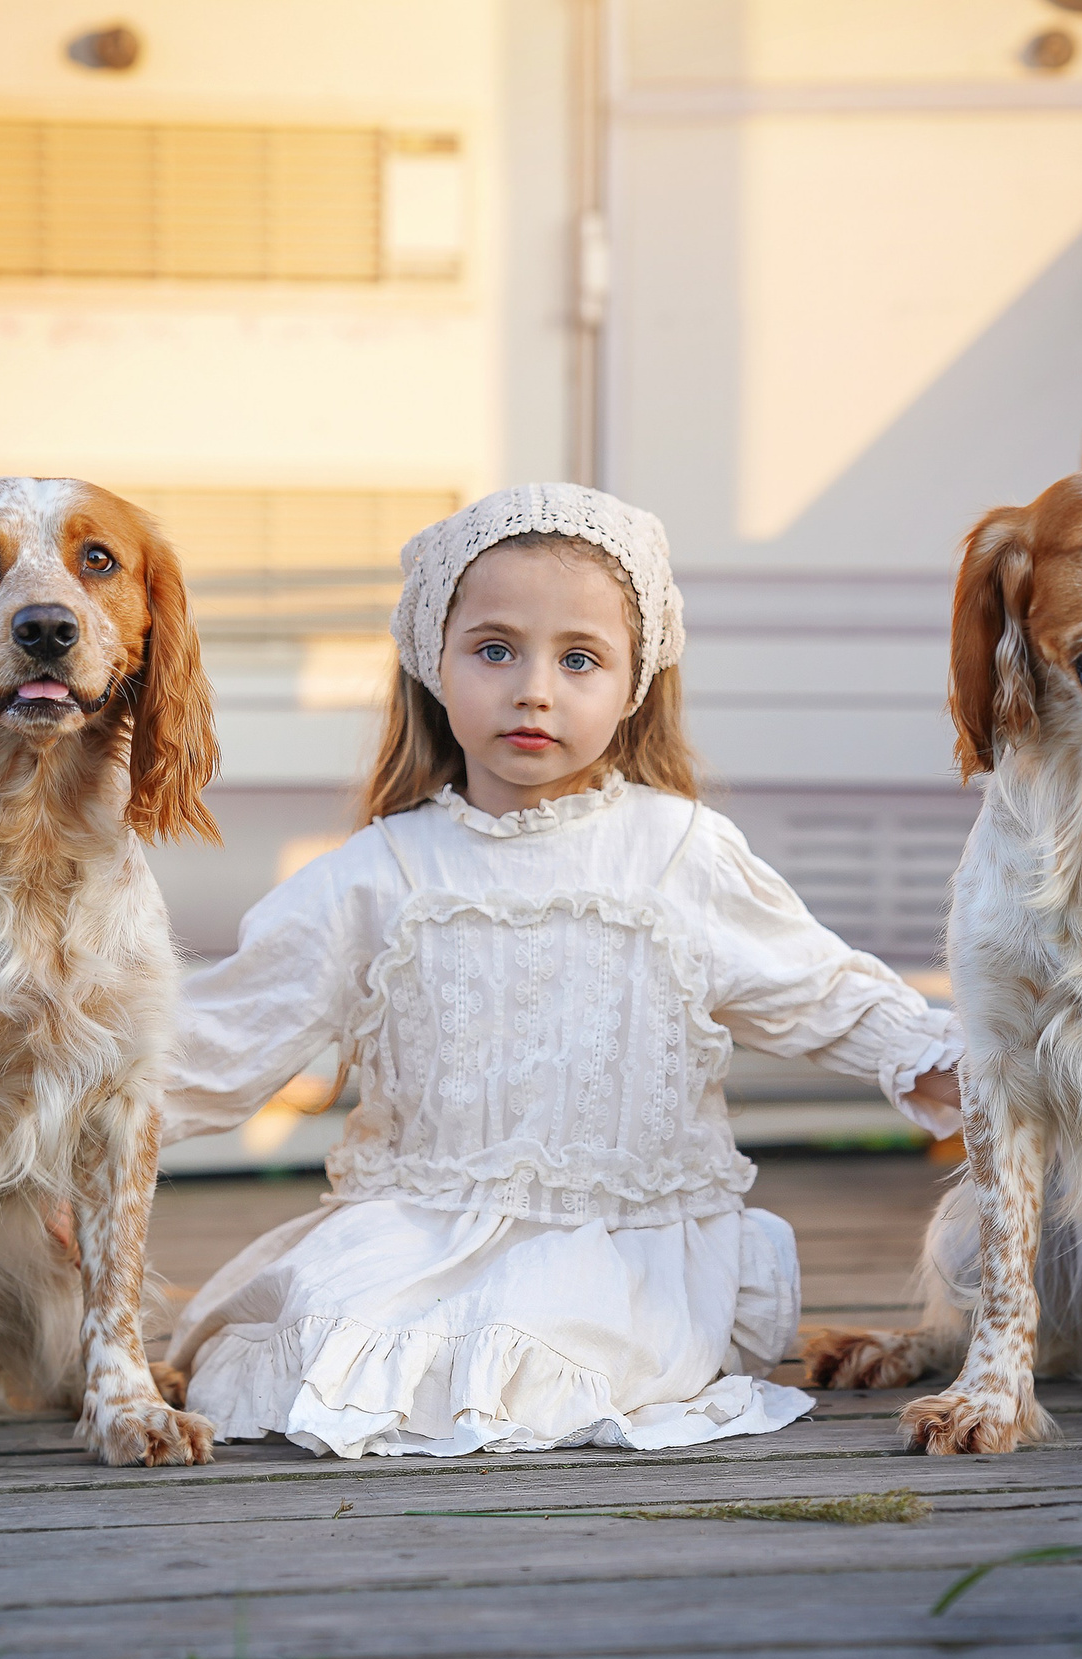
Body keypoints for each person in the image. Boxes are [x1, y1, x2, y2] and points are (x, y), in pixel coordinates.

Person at [162, 484, 961, 1458]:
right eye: (495, 650)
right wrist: (63, 1141)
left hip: (621, 1247)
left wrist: (969, 1067)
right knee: (332, 1330)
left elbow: (826, 995)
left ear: (634, 684)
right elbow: (220, 1037)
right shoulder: (378, 874)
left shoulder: (677, 854)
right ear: (432, 660)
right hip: (423, 1229)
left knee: (542, 1334)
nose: (534, 689)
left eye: (579, 659)